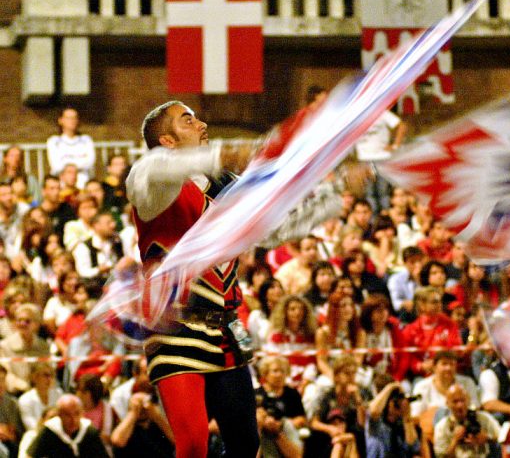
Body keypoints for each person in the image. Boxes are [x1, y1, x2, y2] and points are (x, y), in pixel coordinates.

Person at [128, 101, 349, 457]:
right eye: (188, 120)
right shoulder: (150, 182)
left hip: (224, 329)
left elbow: (273, 230)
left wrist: (335, 193)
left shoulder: (225, 185)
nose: (201, 124)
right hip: (174, 330)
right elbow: (156, 168)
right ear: (167, 141)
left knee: (246, 443)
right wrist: (225, 154)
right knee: (194, 444)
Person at [27, 393, 108, 458]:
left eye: (77, 414)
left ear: (82, 413)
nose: (73, 420)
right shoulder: (50, 430)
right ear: (59, 415)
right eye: (67, 415)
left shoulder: (89, 431)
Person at [433, 384, 500, 458]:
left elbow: (502, 437)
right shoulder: (442, 426)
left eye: (462, 400)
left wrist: (487, 439)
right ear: (447, 403)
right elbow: (441, 456)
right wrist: (455, 441)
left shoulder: (483, 418)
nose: (460, 405)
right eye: (455, 402)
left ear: (468, 400)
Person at [110, 384, 175, 458]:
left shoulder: (159, 424)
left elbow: (176, 441)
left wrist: (155, 414)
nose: (141, 409)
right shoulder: (127, 427)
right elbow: (117, 441)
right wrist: (133, 413)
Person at [366, 381, 420, 458]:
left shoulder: (402, 422)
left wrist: (407, 416)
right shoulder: (378, 420)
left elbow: (412, 446)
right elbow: (373, 410)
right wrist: (391, 387)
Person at [46, 106, 96, 189]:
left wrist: (66, 161)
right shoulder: (54, 141)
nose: (72, 121)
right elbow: (56, 166)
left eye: (74, 118)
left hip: (84, 184)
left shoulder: (86, 140)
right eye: (68, 118)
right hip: (62, 187)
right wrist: (80, 161)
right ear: (61, 120)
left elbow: (90, 163)